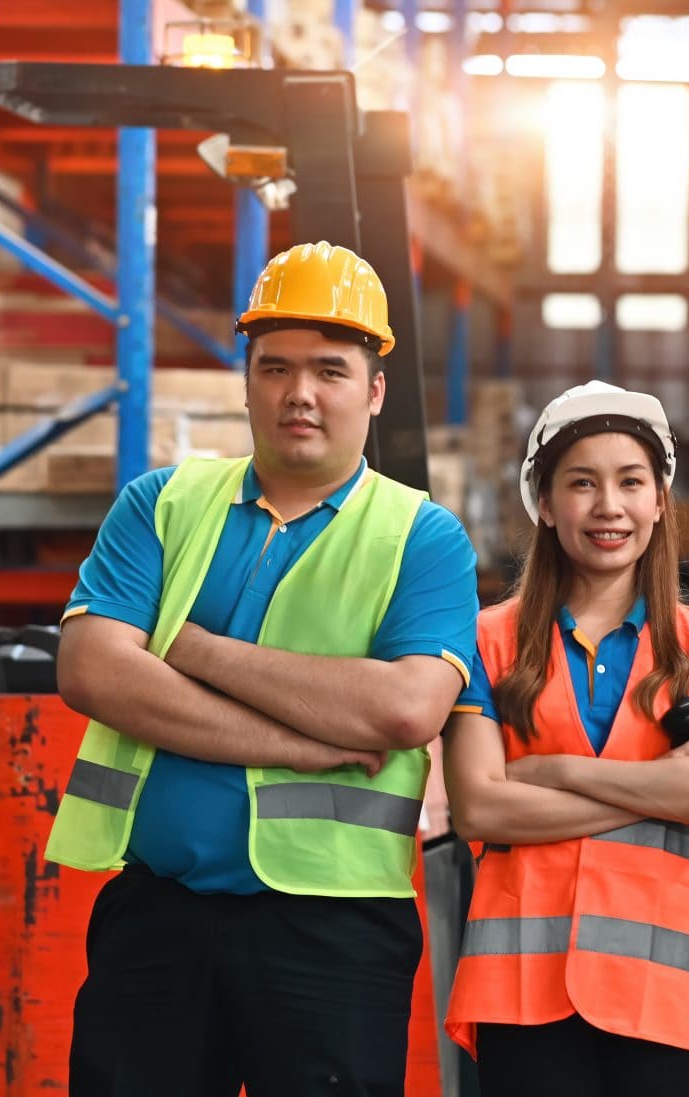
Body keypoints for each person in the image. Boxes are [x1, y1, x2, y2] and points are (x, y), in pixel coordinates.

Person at [48, 241, 486, 1096]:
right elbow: (93, 669)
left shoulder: (422, 537)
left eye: (330, 369)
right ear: (245, 380)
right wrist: (310, 741)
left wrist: (184, 643)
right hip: (158, 916)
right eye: (275, 367)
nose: (300, 393)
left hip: (336, 932)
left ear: (374, 389)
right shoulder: (161, 504)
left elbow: (404, 709)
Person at [439, 380, 689, 1097]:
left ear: (659, 500)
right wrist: (659, 789)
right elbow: (482, 810)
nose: (608, 505)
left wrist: (551, 770)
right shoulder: (488, 641)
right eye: (582, 483)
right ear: (545, 504)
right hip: (523, 991)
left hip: (663, 996)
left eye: (630, 482)